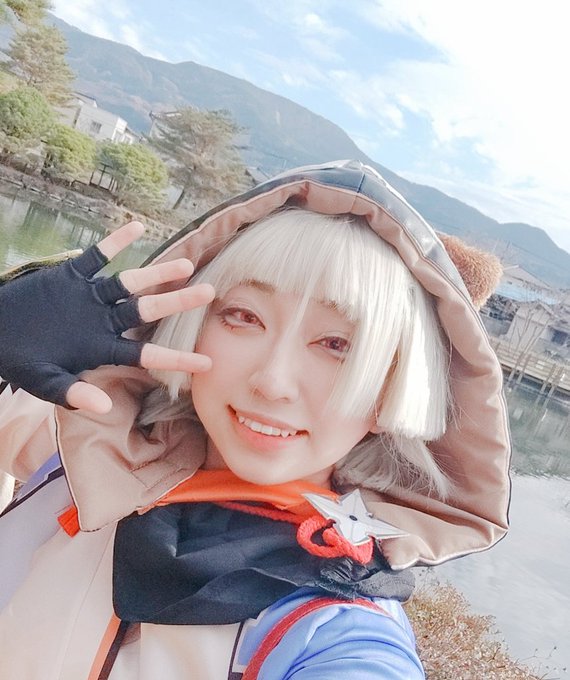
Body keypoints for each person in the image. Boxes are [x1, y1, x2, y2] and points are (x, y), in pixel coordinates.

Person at [0, 160, 511, 679]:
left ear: (390, 390)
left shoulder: (334, 626)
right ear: (192, 320)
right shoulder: (85, 437)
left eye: (337, 344)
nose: (272, 382)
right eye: (244, 316)